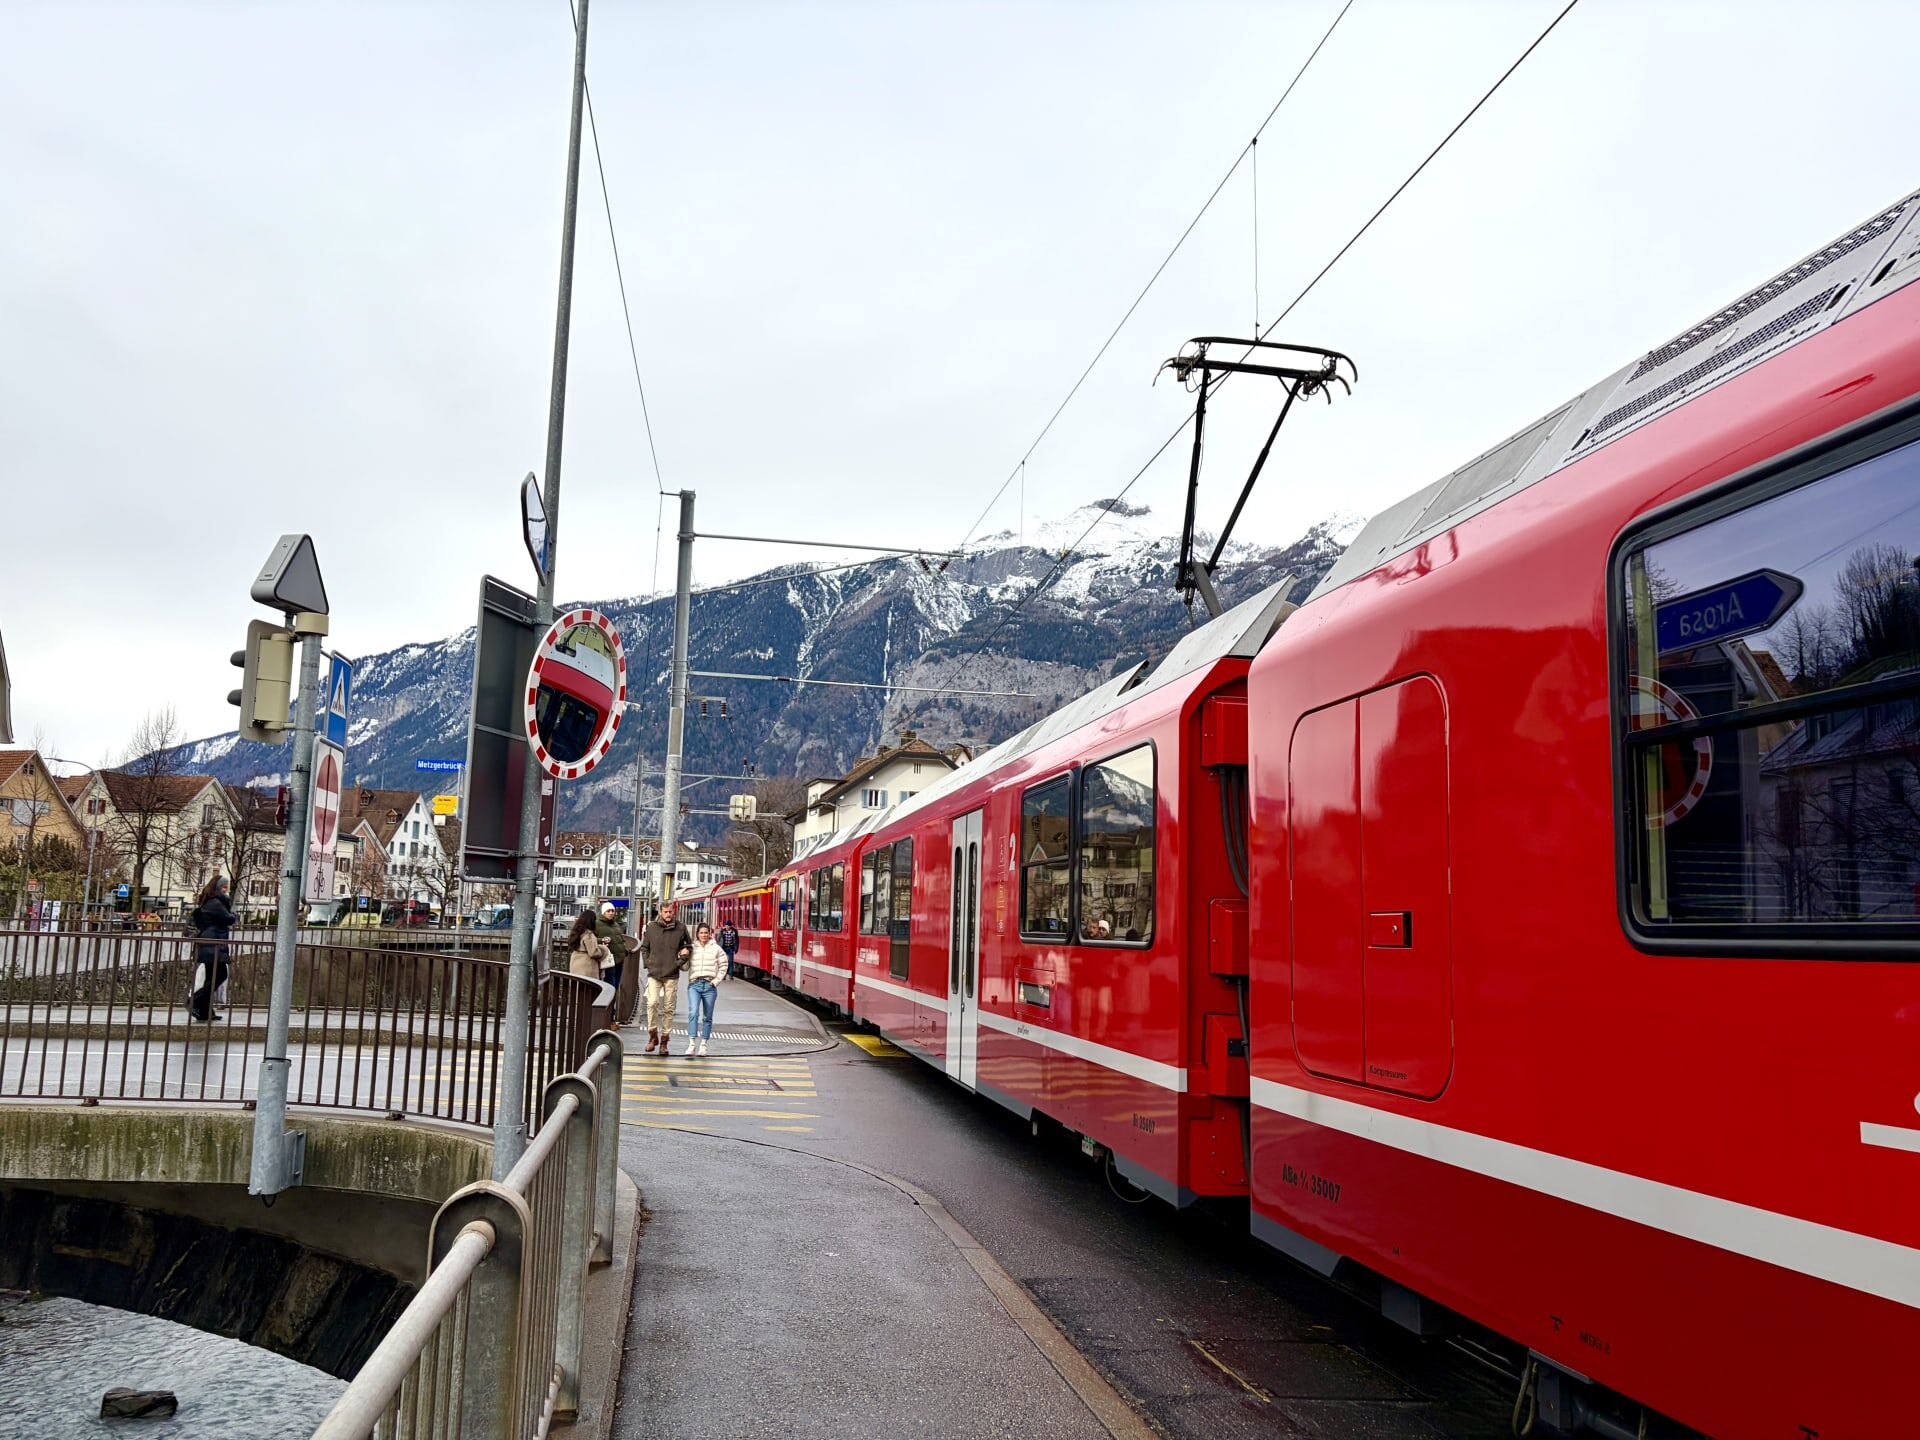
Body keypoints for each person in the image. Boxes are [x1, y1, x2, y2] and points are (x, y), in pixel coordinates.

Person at [639, 901, 693, 1055]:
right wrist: (648, 963)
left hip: (671, 974)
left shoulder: (681, 928)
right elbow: (644, 947)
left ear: (673, 911)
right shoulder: (651, 927)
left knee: (669, 1008)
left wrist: (679, 962)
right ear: (660, 912)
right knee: (652, 1003)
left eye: (670, 912)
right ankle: (652, 1036)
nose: (668, 914)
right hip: (654, 973)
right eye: (665, 912)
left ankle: (664, 1042)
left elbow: (688, 947)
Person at [187, 874, 235, 1023]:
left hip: (210, 943)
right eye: (224, 887)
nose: (226, 890)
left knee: (211, 977)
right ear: (217, 887)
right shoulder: (215, 902)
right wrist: (233, 913)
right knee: (220, 975)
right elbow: (229, 918)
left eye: (227, 887)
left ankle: (204, 1011)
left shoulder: (211, 901)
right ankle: (195, 1001)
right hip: (213, 944)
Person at [684, 922, 727, 1056]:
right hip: (694, 985)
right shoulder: (692, 948)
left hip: (709, 986)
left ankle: (704, 1044)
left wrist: (715, 981)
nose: (704, 935)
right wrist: (683, 956)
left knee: (707, 1017)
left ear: (710, 934)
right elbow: (684, 967)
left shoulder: (716, 949)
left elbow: (724, 965)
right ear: (697, 934)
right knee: (693, 1012)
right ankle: (691, 1044)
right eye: (701, 933)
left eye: (706, 933)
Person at [566, 909, 611, 980]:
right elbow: (594, 953)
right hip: (587, 965)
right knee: (588, 985)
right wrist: (604, 949)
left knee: (577, 984)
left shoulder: (577, 932)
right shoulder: (588, 934)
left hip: (575, 962)